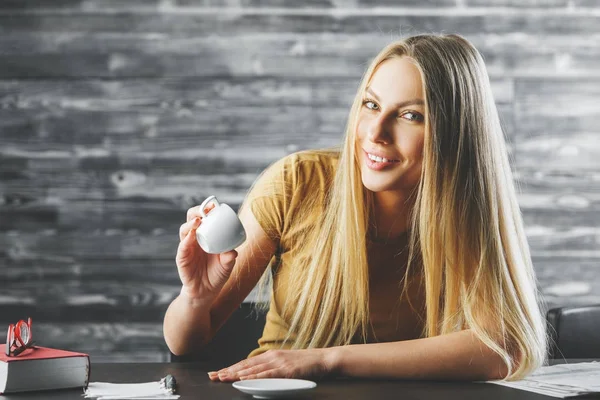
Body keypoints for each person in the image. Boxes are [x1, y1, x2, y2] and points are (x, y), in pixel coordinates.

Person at [163, 33, 548, 382]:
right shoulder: (298, 183)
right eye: (371, 104)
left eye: (410, 115)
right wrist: (195, 297)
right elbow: (187, 344)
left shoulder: (467, 212)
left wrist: (327, 360)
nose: (375, 133)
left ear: (454, 134)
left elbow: (503, 347)